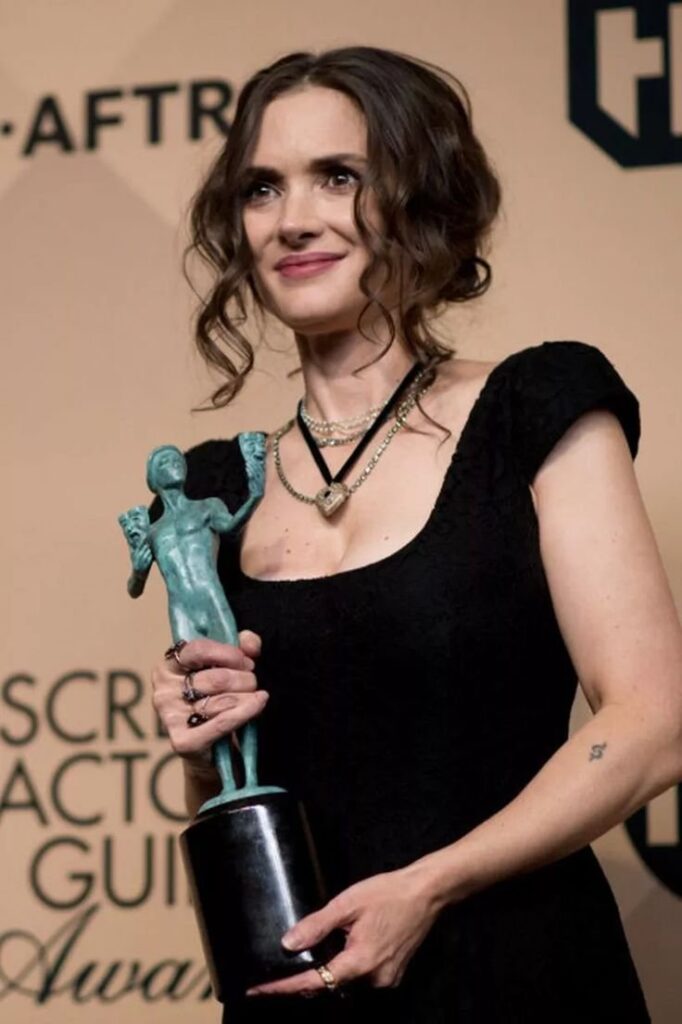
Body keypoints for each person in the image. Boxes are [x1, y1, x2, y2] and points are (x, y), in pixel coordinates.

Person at [148, 46, 682, 1022]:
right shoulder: (213, 486)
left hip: (517, 976)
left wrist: (428, 886)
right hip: (304, 986)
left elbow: (654, 722)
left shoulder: (533, 408)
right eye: (262, 187)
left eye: (338, 177)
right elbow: (237, 792)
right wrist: (198, 744)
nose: (292, 218)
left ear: (419, 199)